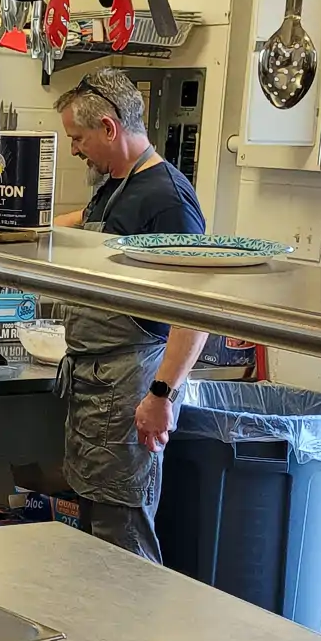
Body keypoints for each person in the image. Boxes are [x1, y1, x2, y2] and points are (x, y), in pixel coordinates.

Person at [53, 67, 207, 563]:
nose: (75, 150)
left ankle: (132, 617)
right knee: (94, 535)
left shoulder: (167, 199)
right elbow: (83, 227)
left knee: (122, 539)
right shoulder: (117, 184)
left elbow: (196, 308)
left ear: (109, 128)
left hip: (130, 386)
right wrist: (16, 234)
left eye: (78, 138)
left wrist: (161, 395)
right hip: (96, 384)